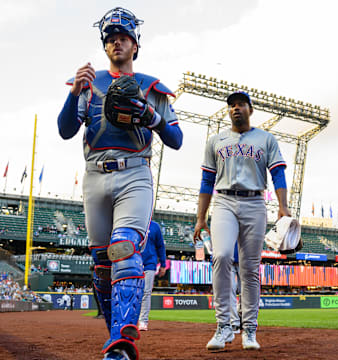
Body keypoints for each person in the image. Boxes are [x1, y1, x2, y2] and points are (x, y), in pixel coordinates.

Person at [57, 7, 183, 360]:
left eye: (123, 37)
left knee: (124, 248)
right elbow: (66, 130)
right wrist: (74, 93)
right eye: (111, 38)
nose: (116, 42)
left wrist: (152, 116)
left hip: (134, 172)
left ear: (135, 45)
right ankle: (116, 335)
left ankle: (121, 345)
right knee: (100, 262)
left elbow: (176, 139)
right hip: (95, 174)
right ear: (105, 45)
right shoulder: (89, 82)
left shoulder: (151, 86)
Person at [193, 90, 290, 351]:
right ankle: (224, 325)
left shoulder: (266, 139)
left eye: (240, 105)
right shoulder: (216, 140)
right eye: (231, 106)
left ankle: (249, 329)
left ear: (250, 109)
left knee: (249, 268)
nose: (235, 109)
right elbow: (206, 181)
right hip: (223, 201)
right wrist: (200, 218)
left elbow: (278, 173)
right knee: (222, 256)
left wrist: (283, 206)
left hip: (255, 202)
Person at [138, 220, 166, 331]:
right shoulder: (133, 222)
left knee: (146, 292)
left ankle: (143, 321)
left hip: (149, 263)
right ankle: (129, 320)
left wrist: (163, 264)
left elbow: (160, 246)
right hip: (133, 262)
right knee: (132, 292)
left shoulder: (155, 226)